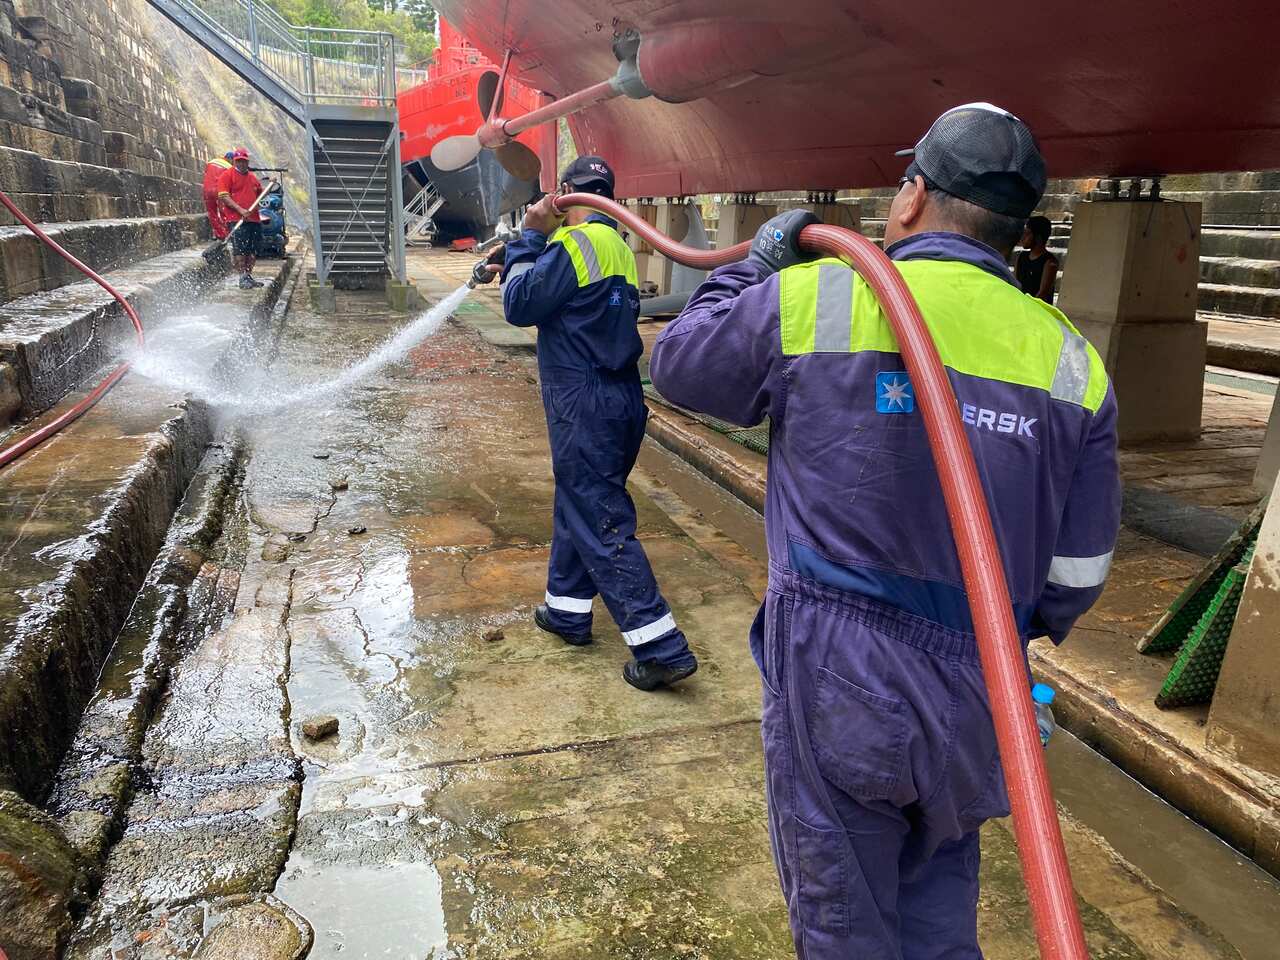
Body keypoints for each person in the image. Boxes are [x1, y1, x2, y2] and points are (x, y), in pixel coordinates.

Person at [649, 103, 1120, 958]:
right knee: (939, 906)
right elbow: (1079, 576)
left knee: (846, 923)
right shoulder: (1071, 361)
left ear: (911, 198)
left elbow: (679, 364)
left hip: (841, 670)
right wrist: (1003, 633)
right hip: (984, 679)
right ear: (1016, 231)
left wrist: (754, 267)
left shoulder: (824, 293)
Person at [497, 156, 699, 691]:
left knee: (599, 516)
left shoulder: (573, 244)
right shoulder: (616, 246)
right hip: (620, 399)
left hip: (583, 400)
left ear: (564, 193)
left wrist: (527, 239)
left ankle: (660, 647)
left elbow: (519, 304)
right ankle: (566, 610)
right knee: (581, 501)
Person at [217, 148, 264, 289]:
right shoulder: (227, 175)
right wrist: (240, 210)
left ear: (247, 162)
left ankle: (248, 276)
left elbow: (260, 195)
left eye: (244, 161)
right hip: (236, 219)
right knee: (240, 250)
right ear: (234, 161)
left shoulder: (252, 178)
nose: (241, 164)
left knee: (252, 250)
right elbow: (224, 196)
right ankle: (242, 277)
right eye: (239, 161)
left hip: (254, 219)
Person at [1015, 214, 1059, 302]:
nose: (1023, 238)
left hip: (1037, 308)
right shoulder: (1021, 257)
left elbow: (1043, 293)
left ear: (1038, 237)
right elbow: (1015, 283)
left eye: (1027, 234)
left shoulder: (1049, 262)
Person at [201, 151, 234, 240]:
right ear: (230, 159)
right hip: (219, 191)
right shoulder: (230, 168)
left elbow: (207, 174)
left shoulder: (211, 162)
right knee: (224, 212)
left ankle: (219, 234)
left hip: (207, 190)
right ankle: (227, 234)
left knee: (212, 214)